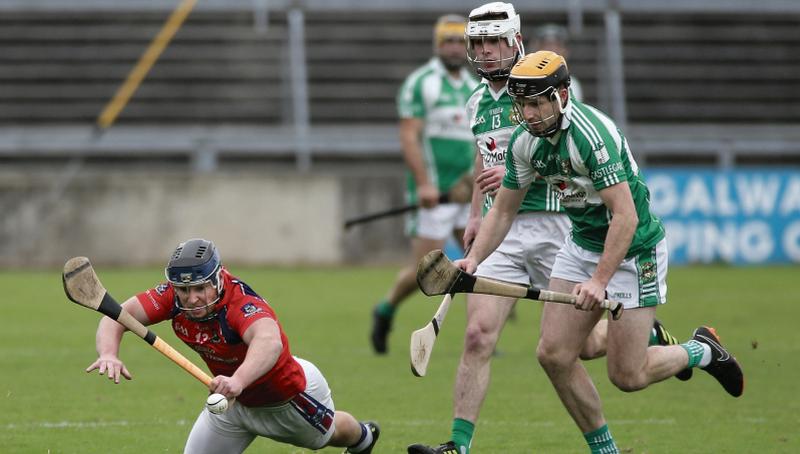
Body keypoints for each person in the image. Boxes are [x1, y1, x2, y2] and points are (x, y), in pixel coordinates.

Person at [407, 4, 683, 454]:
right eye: (479, 43)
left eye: (495, 40)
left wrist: (525, 177)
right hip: (505, 227)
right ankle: (458, 445)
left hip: (560, 223)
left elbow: (581, 170)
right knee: (480, 335)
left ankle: (641, 332)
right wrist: (477, 216)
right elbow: (487, 159)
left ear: (516, 40)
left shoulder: (542, 88)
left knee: (594, 350)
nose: (487, 50)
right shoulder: (479, 101)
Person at [453, 51, 744, 453]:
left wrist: (599, 281)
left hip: (634, 250)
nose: (531, 113)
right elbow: (503, 209)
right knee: (555, 354)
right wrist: (474, 259)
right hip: (582, 244)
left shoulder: (591, 137)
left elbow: (624, 217)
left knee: (628, 375)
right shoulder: (525, 141)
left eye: (539, 102)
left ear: (563, 95)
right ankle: (604, 449)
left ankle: (700, 351)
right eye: (523, 104)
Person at [85, 238, 380, 454]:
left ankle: (364, 438)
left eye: (200, 288)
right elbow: (117, 316)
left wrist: (237, 381)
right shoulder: (173, 297)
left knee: (329, 435)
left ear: (217, 279)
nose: (191, 299)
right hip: (232, 405)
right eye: (184, 290)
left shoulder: (242, 304)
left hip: (288, 398)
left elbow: (268, 343)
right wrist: (109, 353)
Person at [371, 14, 479, 354]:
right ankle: (386, 308)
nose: (453, 48)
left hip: (467, 195)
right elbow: (409, 136)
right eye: (447, 41)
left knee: (480, 265)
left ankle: (480, 333)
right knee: (428, 274)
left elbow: (482, 139)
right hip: (434, 195)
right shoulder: (421, 83)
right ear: (437, 44)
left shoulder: (474, 86)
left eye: (459, 41)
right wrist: (424, 185)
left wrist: (475, 181)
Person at [529, 23, 583, 102]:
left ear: (566, 51)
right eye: (546, 45)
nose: (551, 50)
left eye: (557, 45)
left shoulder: (573, 85)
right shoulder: (526, 80)